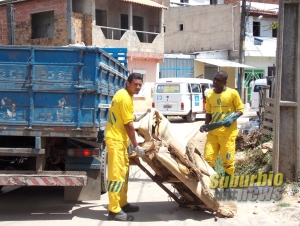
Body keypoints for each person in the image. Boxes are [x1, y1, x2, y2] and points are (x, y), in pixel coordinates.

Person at [105, 73, 147, 221]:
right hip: (116, 140)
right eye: (135, 84)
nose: (138, 87)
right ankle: (114, 210)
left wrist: (136, 117)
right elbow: (128, 125)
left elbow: (126, 118)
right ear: (127, 83)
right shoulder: (124, 97)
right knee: (116, 175)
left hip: (120, 140)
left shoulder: (126, 96)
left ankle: (122, 203)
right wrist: (136, 146)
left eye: (140, 84)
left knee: (123, 173)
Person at [200, 71, 244, 187]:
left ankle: (227, 187)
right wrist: (206, 125)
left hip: (228, 135)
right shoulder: (209, 94)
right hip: (213, 134)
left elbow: (240, 109)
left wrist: (233, 117)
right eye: (214, 79)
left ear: (225, 82)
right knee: (208, 160)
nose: (215, 82)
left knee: (228, 163)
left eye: (218, 80)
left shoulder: (233, 93)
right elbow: (208, 112)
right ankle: (212, 185)